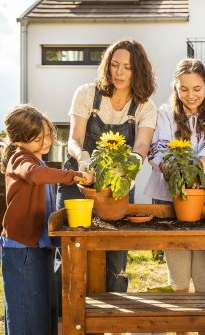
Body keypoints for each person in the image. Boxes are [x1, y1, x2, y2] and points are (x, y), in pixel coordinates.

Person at [56, 38, 158, 294]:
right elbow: (74, 139)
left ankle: (112, 321)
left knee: (114, 254)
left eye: (127, 67)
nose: (119, 72)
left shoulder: (145, 106)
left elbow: (142, 144)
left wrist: (133, 165)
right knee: (70, 252)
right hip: (78, 181)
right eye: (114, 65)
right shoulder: (86, 94)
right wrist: (83, 158)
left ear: (139, 71)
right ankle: (65, 321)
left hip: (118, 185)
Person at [0, 104, 93, 334]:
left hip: (39, 243)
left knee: (42, 305)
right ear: (20, 139)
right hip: (21, 247)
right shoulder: (20, 159)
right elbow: (34, 175)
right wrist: (73, 176)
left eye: (48, 134)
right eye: (38, 138)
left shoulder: (37, 161)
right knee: (25, 309)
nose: (47, 141)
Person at [143, 59, 205, 306]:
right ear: (175, 87)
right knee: (178, 275)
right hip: (168, 196)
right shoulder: (164, 114)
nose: (190, 95)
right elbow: (157, 149)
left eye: (197, 89)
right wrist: (180, 176)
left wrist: (199, 169)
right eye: (183, 89)